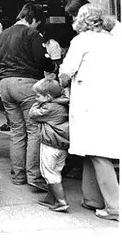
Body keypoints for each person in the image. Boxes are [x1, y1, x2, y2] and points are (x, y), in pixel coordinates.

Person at [59, 2, 121, 221]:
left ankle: (115, 206)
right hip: (111, 99)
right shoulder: (114, 39)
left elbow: (66, 72)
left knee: (97, 152)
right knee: (91, 150)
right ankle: (92, 198)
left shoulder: (81, 40)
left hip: (89, 102)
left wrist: (61, 80)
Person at [0, 2, 53, 190]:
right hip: (26, 83)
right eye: (38, 23)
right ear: (34, 19)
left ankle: (18, 175)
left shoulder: (2, 35)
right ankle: (34, 176)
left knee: (17, 130)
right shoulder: (32, 34)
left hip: (5, 84)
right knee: (34, 130)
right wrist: (53, 66)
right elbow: (42, 61)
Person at [28, 76, 71, 211]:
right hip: (62, 146)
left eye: (38, 96)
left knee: (48, 173)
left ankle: (61, 202)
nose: (36, 98)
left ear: (47, 97)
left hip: (50, 145)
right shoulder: (62, 105)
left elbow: (33, 114)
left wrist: (36, 104)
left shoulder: (49, 107)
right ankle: (51, 198)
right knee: (56, 171)